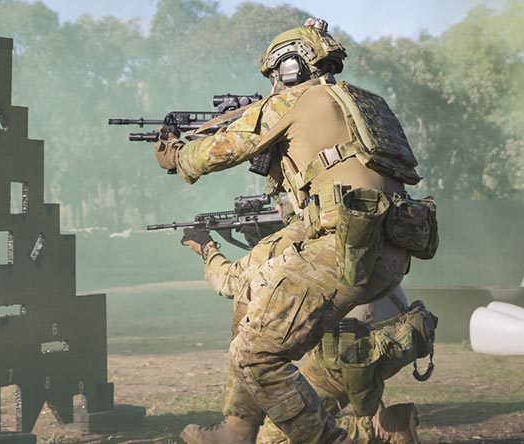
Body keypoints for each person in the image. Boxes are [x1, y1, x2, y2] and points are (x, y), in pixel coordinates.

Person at [153, 17, 438, 444]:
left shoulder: (299, 100)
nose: (273, 86)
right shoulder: (362, 104)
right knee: (249, 289)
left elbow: (211, 155)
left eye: (275, 76)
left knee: (256, 354)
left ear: (291, 67)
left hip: (341, 246)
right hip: (382, 246)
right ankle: (237, 428)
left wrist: (175, 153)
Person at [180, 221, 436, 444]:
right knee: (284, 400)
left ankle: (384, 427)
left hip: (349, 351)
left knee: (279, 432)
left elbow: (231, 280)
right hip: (388, 338)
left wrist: (207, 248)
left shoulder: (301, 234)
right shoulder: (344, 231)